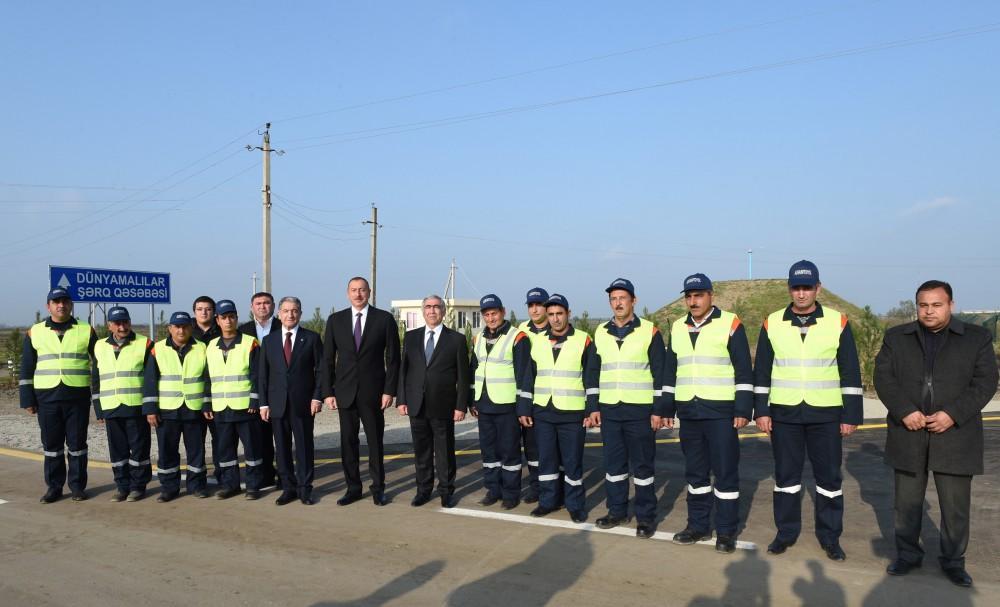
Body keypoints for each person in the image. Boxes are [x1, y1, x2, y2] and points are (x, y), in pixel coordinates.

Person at [874, 280, 998, 587]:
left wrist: (952, 415)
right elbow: (883, 377)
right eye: (923, 305)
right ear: (916, 306)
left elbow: (985, 383)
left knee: (955, 506)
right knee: (906, 503)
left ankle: (954, 561)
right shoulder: (896, 337)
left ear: (951, 305)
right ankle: (907, 555)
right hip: (909, 431)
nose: (929, 311)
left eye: (936, 305)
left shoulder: (976, 338)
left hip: (955, 434)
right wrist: (904, 410)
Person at [754, 260, 863, 561]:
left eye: (807, 287)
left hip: (825, 413)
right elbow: (761, 372)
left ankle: (830, 537)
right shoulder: (772, 322)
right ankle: (785, 533)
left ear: (818, 288)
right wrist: (761, 411)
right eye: (796, 288)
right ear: (789, 289)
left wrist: (851, 414)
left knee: (828, 479)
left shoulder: (837, 321)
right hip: (784, 413)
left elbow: (850, 372)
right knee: (786, 477)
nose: (801, 294)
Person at [663, 273, 754, 553]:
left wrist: (743, 407)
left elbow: (743, 368)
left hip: (721, 412)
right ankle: (697, 526)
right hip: (689, 411)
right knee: (696, 473)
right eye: (689, 296)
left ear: (711, 295)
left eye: (698, 295)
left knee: (725, 473)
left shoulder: (730, 323)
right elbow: (670, 370)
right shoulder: (678, 327)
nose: (693, 301)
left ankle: (726, 532)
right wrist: (667, 407)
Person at [591, 278, 667, 539]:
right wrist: (593, 406)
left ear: (633, 300)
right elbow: (593, 372)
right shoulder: (600, 332)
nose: (618, 302)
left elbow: (660, 373)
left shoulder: (650, 331)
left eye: (623, 298)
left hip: (640, 411)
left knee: (643, 468)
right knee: (613, 466)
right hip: (610, 409)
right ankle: (616, 511)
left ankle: (645, 518)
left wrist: (658, 409)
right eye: (613, 298)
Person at [519, 294, 599, 524]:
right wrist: (524, 408)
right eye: (551, 314)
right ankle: (548, 501)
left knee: (572, 462)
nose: (555, 319)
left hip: (572, 413)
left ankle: (575, 505)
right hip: (543, 411)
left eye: (559, 314)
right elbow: (529, 377)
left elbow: (591, 378)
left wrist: (590, 409)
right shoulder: (539, 341)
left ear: (568, 314)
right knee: (547, 460)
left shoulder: (583, 340)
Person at [322, 276, 401, 506]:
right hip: (344, 392)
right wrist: (328, 392)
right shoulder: (335, 320)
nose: (358, 294)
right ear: (347, 293)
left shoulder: (384, 319)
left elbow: (393, 359)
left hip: (374, 393)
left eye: (362, 290)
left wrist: (389, 390)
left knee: (375, 442)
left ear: (370, 292)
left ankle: (378, 488)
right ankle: (353, 488)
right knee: (348, 442)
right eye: (354, 290)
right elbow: (327, 359)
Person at [19, 287, 98, 503]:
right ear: (49, 306)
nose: (61, 305)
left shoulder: (86, 330)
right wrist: (27, 399)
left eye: (65, 301)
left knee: (78, 445)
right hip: (47, 398)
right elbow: (26, 367)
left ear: (71, 304)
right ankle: (54, 487)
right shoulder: (34, 332)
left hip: (77, 397)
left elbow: (100, 363)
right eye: (56, 301)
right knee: (52, 447)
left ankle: (77, 487)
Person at [397, 295, 471, 508]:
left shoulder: (456, 340)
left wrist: (460, 405)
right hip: (416, 404)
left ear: (443, 311)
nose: (432, 311)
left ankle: (446, 491)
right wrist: (402, 399)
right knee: (421, 451)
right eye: (428, 307)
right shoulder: (411, 338)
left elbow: (463, 377)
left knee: (444, 451)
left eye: (436, 307)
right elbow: (404, 371)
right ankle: (423, 490)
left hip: (444, 405)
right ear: (423, 311)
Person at [258, 296, 325, 506]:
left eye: (294, 310)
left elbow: (321, 371)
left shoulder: (312, 338)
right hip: (277, 404)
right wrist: (263, 403)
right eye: (286, 311)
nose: (290, 314)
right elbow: (263, 374)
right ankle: (288, 488)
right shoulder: (269, 341)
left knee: (305, 448)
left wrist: (317, 396)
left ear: (300, 314)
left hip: (303, 404)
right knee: (282, 449)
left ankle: (305, 489)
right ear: (279, 314)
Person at [469, 294, 532, 509]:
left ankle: (511, 493)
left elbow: (524, 375)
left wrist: (522, 406)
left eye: (494, 313)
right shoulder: (478, 338)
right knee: (489, 452)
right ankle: (493, 489)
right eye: (486, 314)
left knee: (509, 451)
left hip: (507, 405)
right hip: (484, 404)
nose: (491, 318)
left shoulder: (518, 337)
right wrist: (472, 400)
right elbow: (473, 370)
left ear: (503, 312)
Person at [142, 311, 210, 501]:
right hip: (167, 409)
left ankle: (196, 485)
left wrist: (206, 405)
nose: (181, 330)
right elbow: (150, 380)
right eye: (177, 326)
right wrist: (150, 409)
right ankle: (169, 487)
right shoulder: (158, 349)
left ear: (191, 328)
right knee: (167, 450)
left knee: (196, 450)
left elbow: (207, 379)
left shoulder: (201, 348)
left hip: (194, 408)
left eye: (185, 326)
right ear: (170, 328)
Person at [92, 306, 154, 502]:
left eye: (125, 322)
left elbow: (151, 379)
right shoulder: (99, 346)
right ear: (109, 325)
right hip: (111, 407)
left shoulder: (144, 344)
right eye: (117, 323)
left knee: (139, 449)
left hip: (135, 406)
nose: (122, 327)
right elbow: (96, 379)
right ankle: (121, 486)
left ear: (130, 322)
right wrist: (98, 408)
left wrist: (150, 407)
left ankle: (138, 486)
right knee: (117, 450)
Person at [204, 299, 263, 499]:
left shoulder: (249, 343)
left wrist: (255, 400)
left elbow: (258, 375)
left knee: (252, 449)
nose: (228, 321)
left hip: (246, 407)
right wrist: (207, 403)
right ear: (217, 321)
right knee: (225, 450)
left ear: (237, 318)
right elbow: (206, 377)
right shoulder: (211, 346)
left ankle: (253, 486)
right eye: (223, 317)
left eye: (231, 317)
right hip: (221, 407)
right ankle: (231, 485)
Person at [239, 291, 280, 489]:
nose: (262, 307)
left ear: (273, 306)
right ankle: (265, 475)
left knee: (281, 436)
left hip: (280, 390)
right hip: (255, 390)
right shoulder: (243, 331)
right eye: (258, 303)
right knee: (260, 437)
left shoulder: (283, 326)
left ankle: (285, 475)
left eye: (266, 303)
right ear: (251, 307)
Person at [515, 286, 549, 504]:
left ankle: (555, 488)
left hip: (549, 398)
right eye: (531, 305)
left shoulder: (556, 329)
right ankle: (536, 486)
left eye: (539, 305)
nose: (535, 309)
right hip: (527, 397)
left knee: (552, 447)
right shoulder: (521, 330)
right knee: (532, 447)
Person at [191, 295, 222, 487]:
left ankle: (222, 473)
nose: (204, 312)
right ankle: (198, 479)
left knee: (220, 439)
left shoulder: (223, 332)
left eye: (208, 309)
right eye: (200, 309)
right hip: (193, 397)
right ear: (194, 312)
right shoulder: (186, 332)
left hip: (218, 397)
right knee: (196, 441)